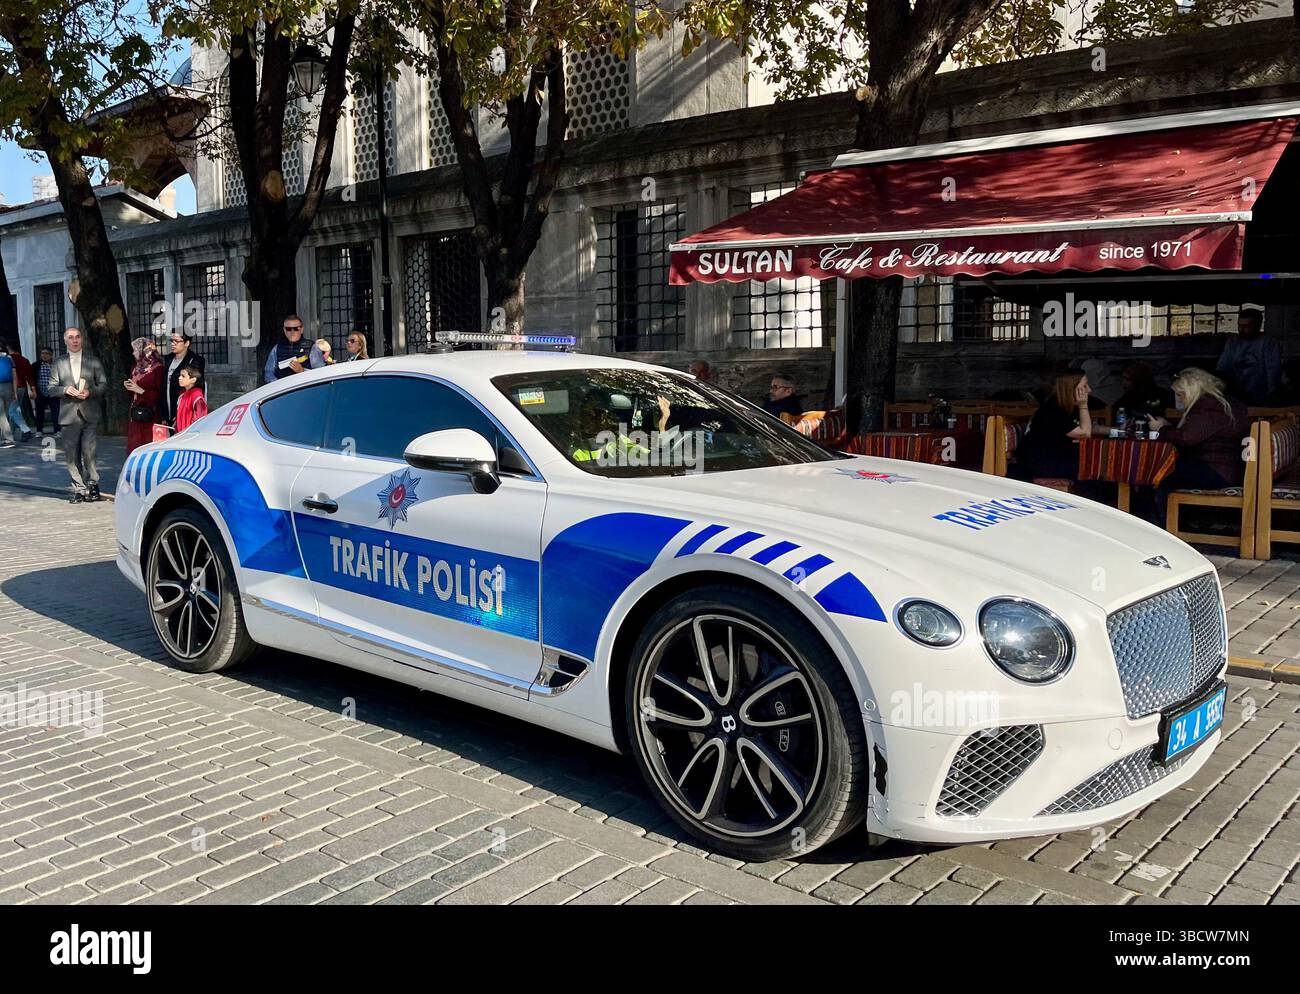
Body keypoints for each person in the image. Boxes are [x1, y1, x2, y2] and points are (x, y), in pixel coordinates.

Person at [1148, 368, 1248, 524]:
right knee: (1162, 471)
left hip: (1217, 471)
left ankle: (1163, 525)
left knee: (1157, 473)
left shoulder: (1209, 406)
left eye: (1181, 394)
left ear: (1192, 391)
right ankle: (1180, 522)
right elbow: (1199, 432)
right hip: (1225, 467)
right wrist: (1169, 427)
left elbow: (1187, 438)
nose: (1179, 399)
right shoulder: (1218, 403)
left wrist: (1161, 429)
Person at [44, 327, 107, 503]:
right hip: (68, 414)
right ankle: (78, 488)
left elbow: (103, 384)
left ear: (82, 339)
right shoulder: (58, 363)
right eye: (71, 337)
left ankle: (93, 484)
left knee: (89, 451)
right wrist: (64, 389)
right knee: (71, 455)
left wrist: (90, 392)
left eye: (78, 337)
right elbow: (50, 388)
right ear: (65, 341)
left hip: (89, 413)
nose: (75, 340)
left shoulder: (93, 361)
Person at [1011, 371, 1106, 481]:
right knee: (1094, 469)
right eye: (1085, 386)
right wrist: (1083, 405)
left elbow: (1086, 426)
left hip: (1057, 456)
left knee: (1096, 464)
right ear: (1071, 388)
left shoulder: (1069, 406)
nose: (1089, 390)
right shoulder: (1054, 409)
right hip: (1042, 462)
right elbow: (1085, 433)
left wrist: (1114, 431)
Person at [1216, 308, 1281, 404]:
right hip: (1236, 396)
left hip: (1261, 397)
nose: (1242, 329)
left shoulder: (1267, 343)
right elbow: (1222, 369)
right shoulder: (1233, 343)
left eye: (1246, 326)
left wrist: (1272, 393)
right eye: (1240, 325)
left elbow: (1273, 370)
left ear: (1257, 326)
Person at [123, 337, 165, 454]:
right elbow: (133, 392)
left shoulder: (158, 369)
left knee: (149, 446)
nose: (133, 352)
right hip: (136, 412)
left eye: (135, 349)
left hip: (150, 413)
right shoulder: (135, 368)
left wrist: (141, 391)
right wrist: (129, 387)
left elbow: (160, 394)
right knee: (135, 447)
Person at [163, 330, 205, 426]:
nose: (173, 344)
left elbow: (196, 387)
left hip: (184, 411)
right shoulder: (168, 359)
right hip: (167, 411)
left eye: (176, 341)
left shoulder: (195, 361)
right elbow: (164, 386)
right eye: (171, 340)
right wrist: (164, 414)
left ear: (187, 343)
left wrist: (179, 414)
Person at [264, 315, 312, 381]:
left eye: (296, 328)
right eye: (288, 329)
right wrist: (279, 385)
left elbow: (321, 374)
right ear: (284, 330)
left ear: (301, 329)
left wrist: (302, 371)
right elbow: (268, 373)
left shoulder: (312, 347)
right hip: (285, 389)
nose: (292, 332)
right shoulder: (277, 348)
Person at [173, 366, 209, 434]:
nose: (179, 378)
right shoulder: (182, 395)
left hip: (189, 437)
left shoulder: (197, 397)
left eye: (183, 376)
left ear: (193, 380)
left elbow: (199, 421)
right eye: (180, 375)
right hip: (180, 436)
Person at [33, 347, 59, 434]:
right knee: (39, 412)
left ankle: (57, 430)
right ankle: (39, 430)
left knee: (55, 412)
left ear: (51, 355)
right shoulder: (36, 365)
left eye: (46, 353)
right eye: (42, 353)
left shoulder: (56, 365)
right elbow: (31, 378)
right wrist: (32, 390)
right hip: (40, 391)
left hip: (53, 391)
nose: (44, 355)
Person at [0, 341, 15, 448]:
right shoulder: (9, 358)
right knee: (5, 413)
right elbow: (14, 376)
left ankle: (8, 439)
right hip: (8, 387)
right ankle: (4, 438)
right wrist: (14, 391)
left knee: (2, 415)